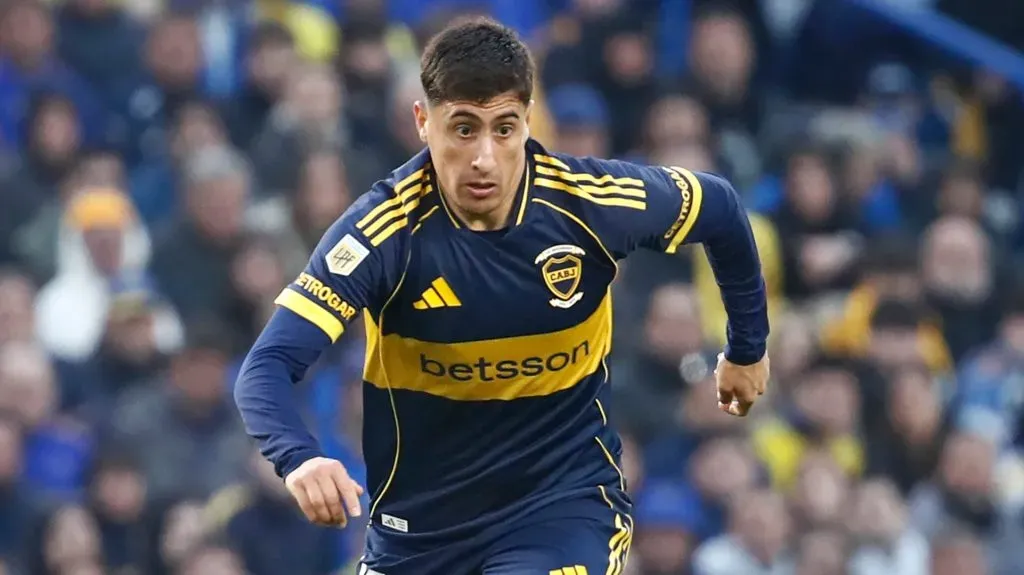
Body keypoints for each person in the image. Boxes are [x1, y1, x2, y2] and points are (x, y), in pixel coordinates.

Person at [233, 17, 770, 575]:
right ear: (423, 122)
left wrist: (747, 349)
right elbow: (267, 366)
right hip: (419, 536)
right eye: (463, 129)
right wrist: (299, 458)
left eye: (504, 128)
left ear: (529, 121)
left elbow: (720, 208)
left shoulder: (590, 204)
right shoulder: (383, 234)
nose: (484, 158)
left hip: (561, 512)